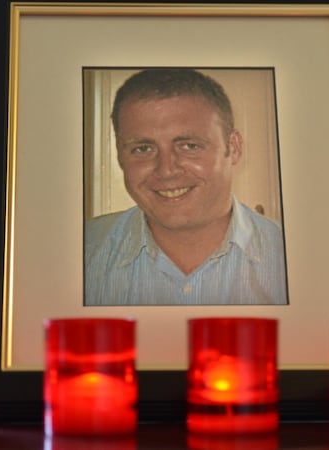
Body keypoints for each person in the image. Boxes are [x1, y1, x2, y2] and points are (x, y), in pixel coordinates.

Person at [85, 69, 287, 306]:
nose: (166, 170)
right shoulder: (76, 256)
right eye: (142, 149)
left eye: (189, 146)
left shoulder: (297, 260)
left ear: (233, 148)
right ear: (120, 158)